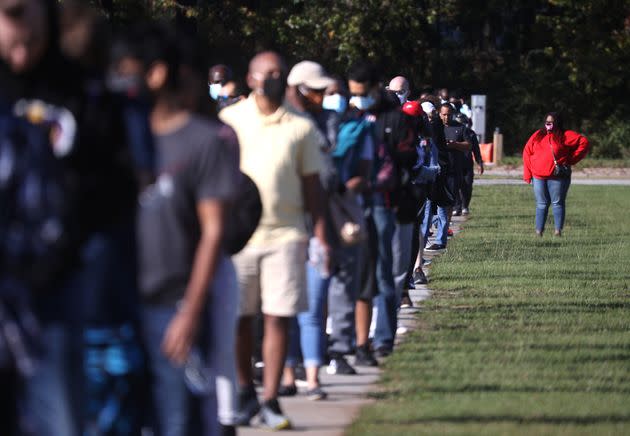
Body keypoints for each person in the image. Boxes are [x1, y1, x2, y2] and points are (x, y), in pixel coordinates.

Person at [0, 1, 139, 434]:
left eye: (28, 13)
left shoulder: (82, 89)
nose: (21, 30)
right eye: (10, 15)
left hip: (57, 290)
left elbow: (117, 190)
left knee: (60, 417)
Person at [219, 51, 330, 430]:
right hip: (239, 237)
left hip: (286, 234)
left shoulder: (300, 126)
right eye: (266, 73)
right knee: (240, 319)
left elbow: (313, 187)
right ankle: (243, 390)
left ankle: (270, 398)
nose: (273, 79)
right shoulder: (230, 120)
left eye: (279, 74)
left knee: (278, 317)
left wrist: (321, 236)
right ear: (250, 78)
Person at [280, 60, 335, 400]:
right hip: (283, 228)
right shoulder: (283, 120)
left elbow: (327, 172)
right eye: (314, 90)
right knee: (283, 308)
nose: (320, 96)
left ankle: (312, 377)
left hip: (316, 225)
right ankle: (287, 374)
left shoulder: (326, 120)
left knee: (313, 306)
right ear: (298, 88)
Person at [522, 112, 589, 236]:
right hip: (538, 176)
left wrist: (571, 159)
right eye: (547, 122)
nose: (549, 124)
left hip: (557, 177)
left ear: (557, 123)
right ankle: (539, 232)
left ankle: (558, 231)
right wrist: (527, 173)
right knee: (541, 204)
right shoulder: (538, 135)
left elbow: (583, 142)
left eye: (552, 122)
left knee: (557, 203)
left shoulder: (565, 135)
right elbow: (527, 152)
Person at [423, 103, 470, 252]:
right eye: (443, 114)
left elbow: (468, 145)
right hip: (434, 170)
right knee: (428, 207)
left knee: (445, 206)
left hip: (451, 171)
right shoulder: (434, 126)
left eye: (449, 114)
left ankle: (440, 240)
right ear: (439, 113)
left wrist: (454, 144)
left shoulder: (460, 128)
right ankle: (423, 238)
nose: (446, 117)